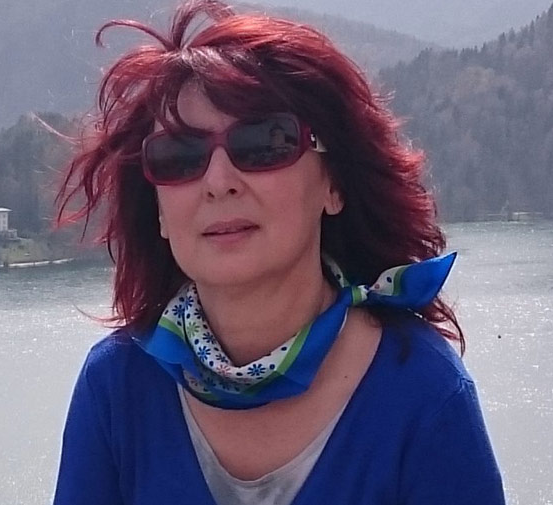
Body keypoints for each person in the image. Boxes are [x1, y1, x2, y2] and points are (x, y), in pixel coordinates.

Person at [51, 1, 506, 503]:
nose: (218, 182)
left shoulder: (422, 392)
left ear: (333, 183)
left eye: (263, 143)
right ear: (157, 209)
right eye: (180, 156)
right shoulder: (118, 387)